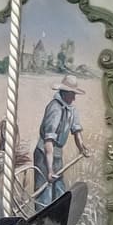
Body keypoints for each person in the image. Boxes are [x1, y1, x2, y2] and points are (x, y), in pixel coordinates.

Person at [33, 75, 88, 212]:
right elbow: (48, 141)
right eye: (72, 94)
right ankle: (41, 219)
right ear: (64, 92)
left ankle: (58, 218)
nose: (74, 98)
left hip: (57, 153)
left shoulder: (72, 110)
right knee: (45, 189)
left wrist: (82, 148)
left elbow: (76, 131)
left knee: (59, 188)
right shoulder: (55, 108)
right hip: (44, 153)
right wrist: (50, 169)